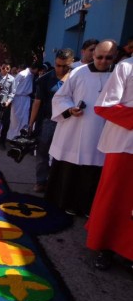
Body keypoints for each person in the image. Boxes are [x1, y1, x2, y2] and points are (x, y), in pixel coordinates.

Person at [46, 40, 118, 216]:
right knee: (70, 168)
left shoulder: (118, 75)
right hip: (75, 128)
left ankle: (87, 207)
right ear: (93, 56)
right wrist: (69, 109)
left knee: (94, 171)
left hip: (102, 130)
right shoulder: (78, 73)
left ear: (114, 57)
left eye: (108, 58)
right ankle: (65, 203)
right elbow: (60, 98)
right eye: (99, 57)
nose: (103, 61)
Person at [86, 56, 133, 270]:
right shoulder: (126, 66)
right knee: (116, 199)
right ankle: (107, 247)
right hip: (124, 144)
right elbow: (104, 105)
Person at [28, 49, 74, 193]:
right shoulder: (44, 80)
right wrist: (31, 123)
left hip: (69, 122)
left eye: (65, 66)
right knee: (43, 151)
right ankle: (41, 181)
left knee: (63, 154)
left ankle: (56, 183)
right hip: (49, 121)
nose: (60, 69)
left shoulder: (77, 78)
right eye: (58, 65)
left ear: (71, 63)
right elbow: (37, 103)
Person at [7, 63, 38, 140]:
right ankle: (12, 137)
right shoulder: (22, 74)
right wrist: (10, 99)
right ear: (35, 68)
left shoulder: (31, 75)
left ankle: (20, 137)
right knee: (16, 119)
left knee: (24, 119)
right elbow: (14, 86)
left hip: (26, 99)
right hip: (18, 98)